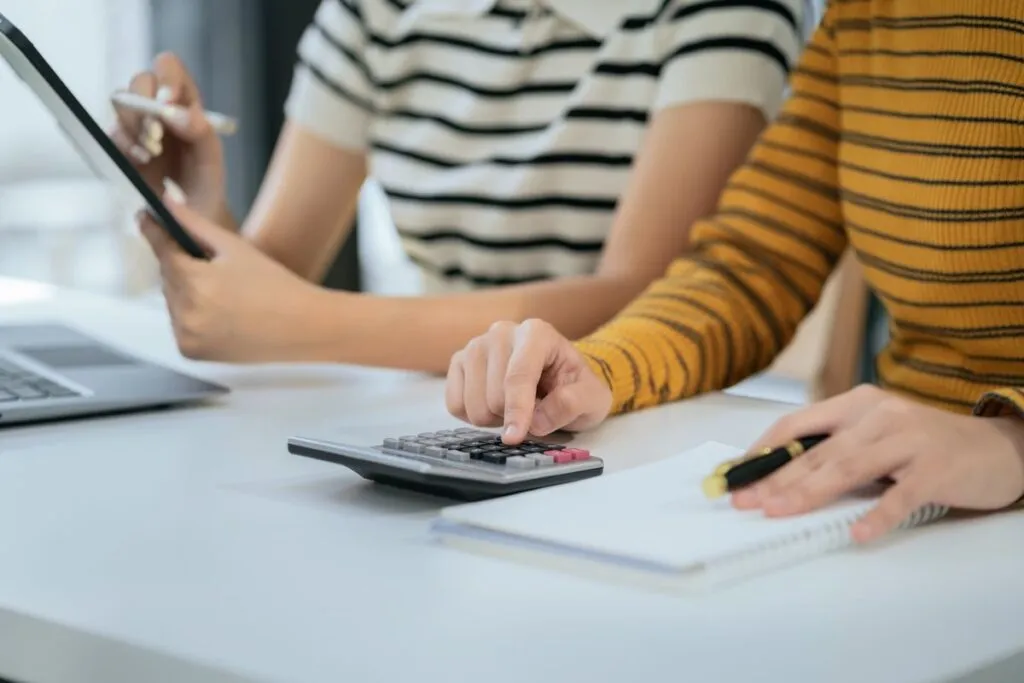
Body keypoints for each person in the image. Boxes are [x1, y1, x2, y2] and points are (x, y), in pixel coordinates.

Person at [444, 1, 1024, 542]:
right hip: (898, 500)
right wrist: (601, 366)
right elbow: (751, 267)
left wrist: (1009, 443)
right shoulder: (865, 16)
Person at [112, 0, 809, 371]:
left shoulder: (720, 11)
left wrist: (309, 322)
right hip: (439, 419)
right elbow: (274, 282)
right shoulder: (377, 13)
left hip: (637, 430)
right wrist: (202, 209)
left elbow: (644, 301)